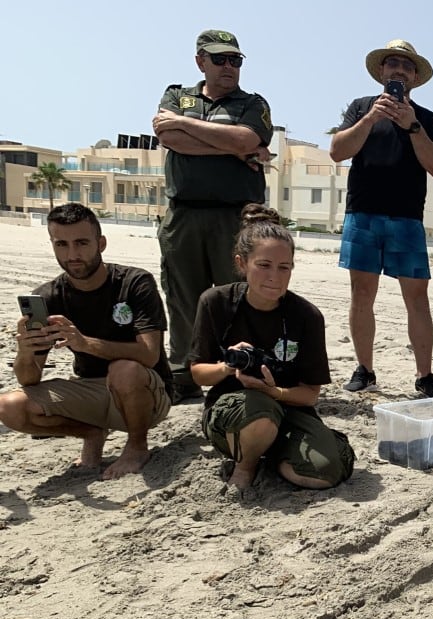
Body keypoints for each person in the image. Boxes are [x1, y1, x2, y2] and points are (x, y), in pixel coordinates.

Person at [189, 206, 355, 495]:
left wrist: (273, 391)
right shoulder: (216, 302)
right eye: (263, 265)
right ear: (242, 263)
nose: (274, 277)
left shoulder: (306, 316)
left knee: (324, 471)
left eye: (284, 267)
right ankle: (246, 467)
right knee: (259, 412)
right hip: (232, 411)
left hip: (287, 407)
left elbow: (309, 394)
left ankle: (272, 451)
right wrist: (228, 367)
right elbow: (198, 374)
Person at [0, 203, 171, 478]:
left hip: (147, 394)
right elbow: (29, 380)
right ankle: (91, 434)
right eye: (62, 245)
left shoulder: (134, 282)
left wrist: (83, 343)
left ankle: (137, 446)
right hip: (91, 390)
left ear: (100, 243)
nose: (73, 255)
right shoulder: (48, 296)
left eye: (81, 243)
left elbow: (150, 355)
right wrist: (25, 351)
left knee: (123, 369)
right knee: (9, 407)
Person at [153, 29, 272, 403]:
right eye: (219, 59)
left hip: (236, 218)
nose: (228, 67)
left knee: (236, 297)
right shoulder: (176, 95)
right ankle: (184, 376)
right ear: (200, 61)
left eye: (235, 60)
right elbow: (169, 138)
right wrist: (229, 145)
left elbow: (245, 140)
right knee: (183, 297)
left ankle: (238, 371)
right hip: (184, 215)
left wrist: (187, 125)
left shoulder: (252, 104)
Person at [330, 39, 433, 397]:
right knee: (361, 295)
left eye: (406, 65)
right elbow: (337, 151)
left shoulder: (427, 119)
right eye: (393, 63)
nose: (399, 70)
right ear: (382, 71)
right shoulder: (361, 108)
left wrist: (412, 126)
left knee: (417, 299)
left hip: (407, 219)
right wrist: (371, 118)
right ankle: (365, 369)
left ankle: (425, 376)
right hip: (362, 214)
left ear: (414, 76)